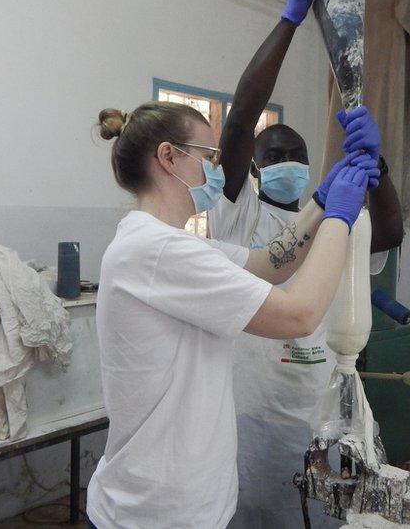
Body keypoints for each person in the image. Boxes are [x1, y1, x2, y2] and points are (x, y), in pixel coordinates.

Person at [86, 101, 379, 528]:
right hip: (157, 511)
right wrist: (340, 217)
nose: (215, 170)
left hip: (182, 498)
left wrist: (320, 201)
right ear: (169, 157)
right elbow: (299, 315)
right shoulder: (158, 251)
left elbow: (268, 264)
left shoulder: (170, 244)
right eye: (207, 157)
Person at [207, 0, 405, 526]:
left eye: (298, 154)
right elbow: (240, 123)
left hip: (320, 407)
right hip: (255, 415)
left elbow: (387, 235)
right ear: (254, 165)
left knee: (321, 514)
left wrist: (376, 165)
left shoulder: (329, 212)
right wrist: (289, 21)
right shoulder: (236, 215)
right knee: (258, 515)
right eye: (276, 155)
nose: (288, 162)